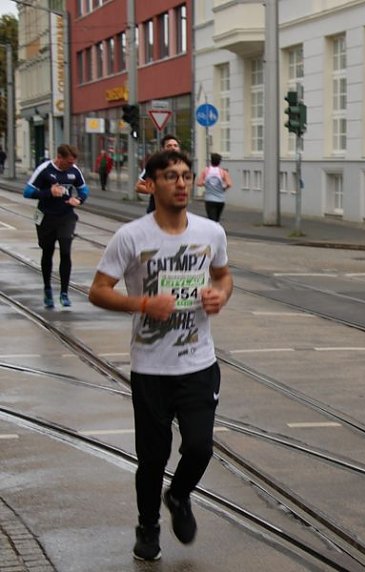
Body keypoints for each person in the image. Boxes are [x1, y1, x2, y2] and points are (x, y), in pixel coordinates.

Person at [88, 150, 233, 562]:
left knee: (200, 448)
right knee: (152, 459)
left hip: (198, 364)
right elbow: (98, 290)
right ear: (150, 184)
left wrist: (218, 295)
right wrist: (142, 305)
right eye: (171, 176)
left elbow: (223, 276)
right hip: (151, 368)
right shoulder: (132, 236)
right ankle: (147, 526)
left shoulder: (211, 232)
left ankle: (180, 495)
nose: (182, 183)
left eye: (187, 175)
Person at [23, 144, 89, 309]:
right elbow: (27, 192)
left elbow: (84, 190)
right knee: (48, 251)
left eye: (72, 163)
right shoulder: (44, 170)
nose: (70, 166)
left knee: (66, 250)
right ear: (59, 158)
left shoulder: (74, 171)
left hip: (66, 216)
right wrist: (48, 193)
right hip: (46, 217)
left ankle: (64, 292)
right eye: (67, 163)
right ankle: (47, 289)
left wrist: (79, 200)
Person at [136, 134, 181, 213]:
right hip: (157, 212)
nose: (173, 148)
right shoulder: (154, 165)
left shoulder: (184, 166)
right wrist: (157, 191)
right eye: (169, 146)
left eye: (175, 145)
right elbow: (138, 186)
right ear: (163, 149)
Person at [195, 152, 233, 222]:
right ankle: (217, 231)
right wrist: (223, 188)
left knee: (211, 220)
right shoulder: (223, 172)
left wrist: (206, 184)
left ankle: (213, 232)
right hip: (220, 200)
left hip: (209, 199)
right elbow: (229, 184)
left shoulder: (206, 171)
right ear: (219, 162)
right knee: (217, 220)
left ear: (211, 161)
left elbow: (199, 183)